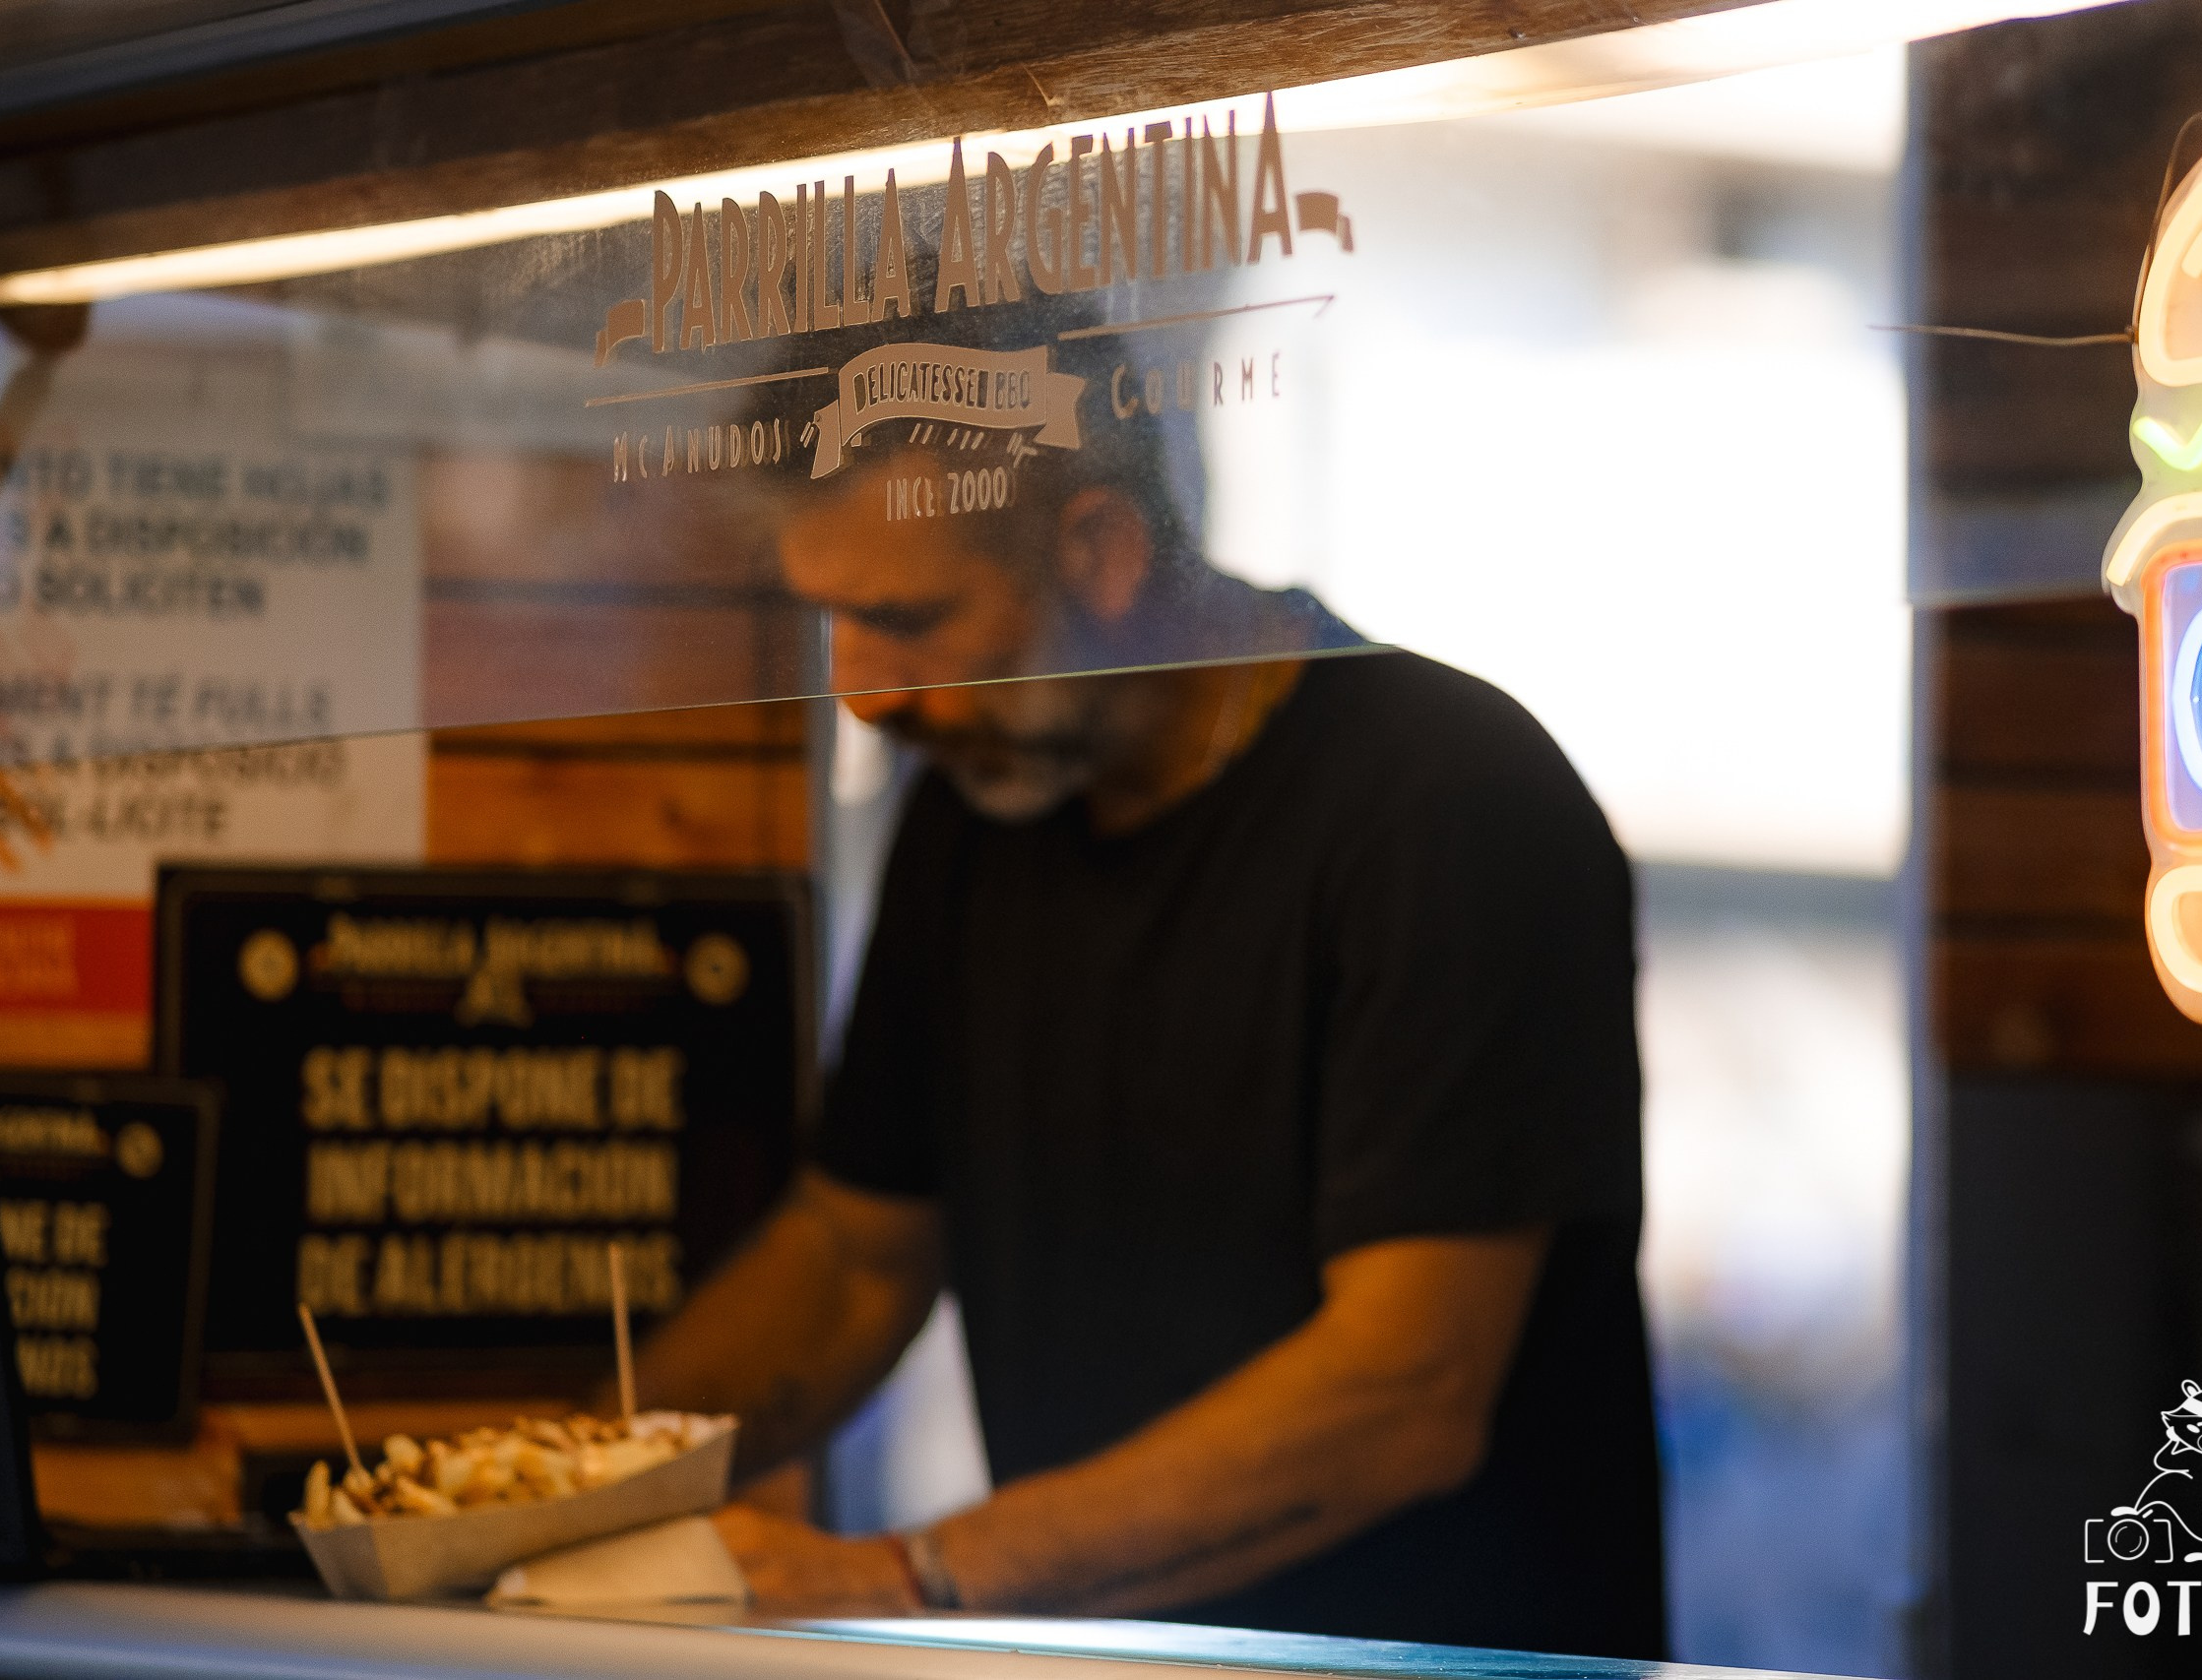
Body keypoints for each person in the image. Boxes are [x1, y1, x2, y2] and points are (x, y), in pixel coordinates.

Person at [630, 346, 1665, 1657]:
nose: (861, 694)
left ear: (1104, 551)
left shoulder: (1446, 796)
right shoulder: (969, 818)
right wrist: (524, 1494)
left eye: (905, 619)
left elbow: (1405, 1391)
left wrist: (911, 1580)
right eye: (827, 625)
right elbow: (853, 1258)